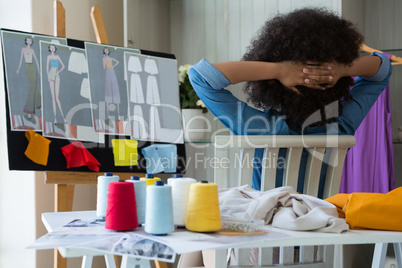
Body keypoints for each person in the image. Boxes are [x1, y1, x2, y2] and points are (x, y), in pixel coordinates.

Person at [178, 7, 391, 267]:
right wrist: (338, 69)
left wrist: (279, 70)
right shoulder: (343, 125)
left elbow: (200, 76)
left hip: (257, 248)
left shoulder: (257, 126)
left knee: (196, 232)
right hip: (315, 246)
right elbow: (382, 70)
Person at [16, 37, 41, 125]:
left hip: (33, 67)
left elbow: (36, 61)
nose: (29, 41)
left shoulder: (33, 50)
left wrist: (39, 70)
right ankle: (29, 111)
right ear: (26, 41)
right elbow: (20, 59)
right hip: (27, 67)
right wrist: (18, 69)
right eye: (27, 40)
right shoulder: (23, 49)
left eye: (30, 40)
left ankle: (39, 105)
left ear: (31, 42)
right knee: (32, 87)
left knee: (34, 87)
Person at [46, 44, 66, 126]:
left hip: (57, 75)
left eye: (53, 47)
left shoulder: (57, 56)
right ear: (49, 49)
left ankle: (63, 116)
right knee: (53, 97)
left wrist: (59, 72)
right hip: (51, 74)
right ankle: (55, 117)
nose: (52, 49)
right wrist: (48, 77)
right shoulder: (48, 57)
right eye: (51, 48)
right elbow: (47, 68)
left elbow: (63, 66)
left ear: (55, 48)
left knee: (57, 97)